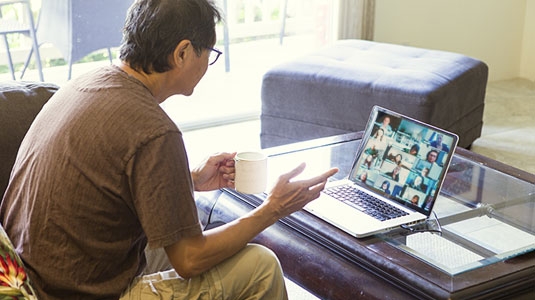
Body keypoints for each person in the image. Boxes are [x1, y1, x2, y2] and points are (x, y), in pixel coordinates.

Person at [0, 1, 338, 299]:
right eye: (210, 53)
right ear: (182, 52)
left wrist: (188, 179)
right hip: (75, 292)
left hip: (36, 273)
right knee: (259, 266)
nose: (209, 63)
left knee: (185, 232)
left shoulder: (86, 84)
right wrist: (272, 209)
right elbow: (189, 260)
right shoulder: (155, 130)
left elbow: (105, 186)